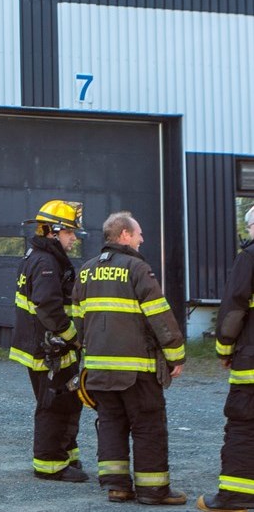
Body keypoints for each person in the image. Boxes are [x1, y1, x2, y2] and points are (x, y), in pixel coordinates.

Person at [75, 211, 186, 505]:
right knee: (148, 425)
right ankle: (153, 490)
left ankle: (117, 486)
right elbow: (159, 316)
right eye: (138, 234)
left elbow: (78, 320)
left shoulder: (85, 271)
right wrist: (176, 355)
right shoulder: (137, 269)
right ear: (124, 235)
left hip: (99, 369)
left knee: (111, 422)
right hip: (136, 370)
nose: (142, 239)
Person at [10, 199, 87, 482]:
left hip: (45, 346)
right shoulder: (45, 261)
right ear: (54, 231)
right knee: (54, 405)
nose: (74, 238)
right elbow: (49, 307)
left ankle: (67, 454)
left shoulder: (37, 256)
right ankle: (50, 464)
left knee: (67, 400)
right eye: (70, 232)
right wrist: (74, 338)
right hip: (48, 348)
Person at [197, 207, 254, 512]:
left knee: (244, 424)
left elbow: (234, 306)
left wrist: (224, 348)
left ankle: (236, 495)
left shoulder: (250, 256)